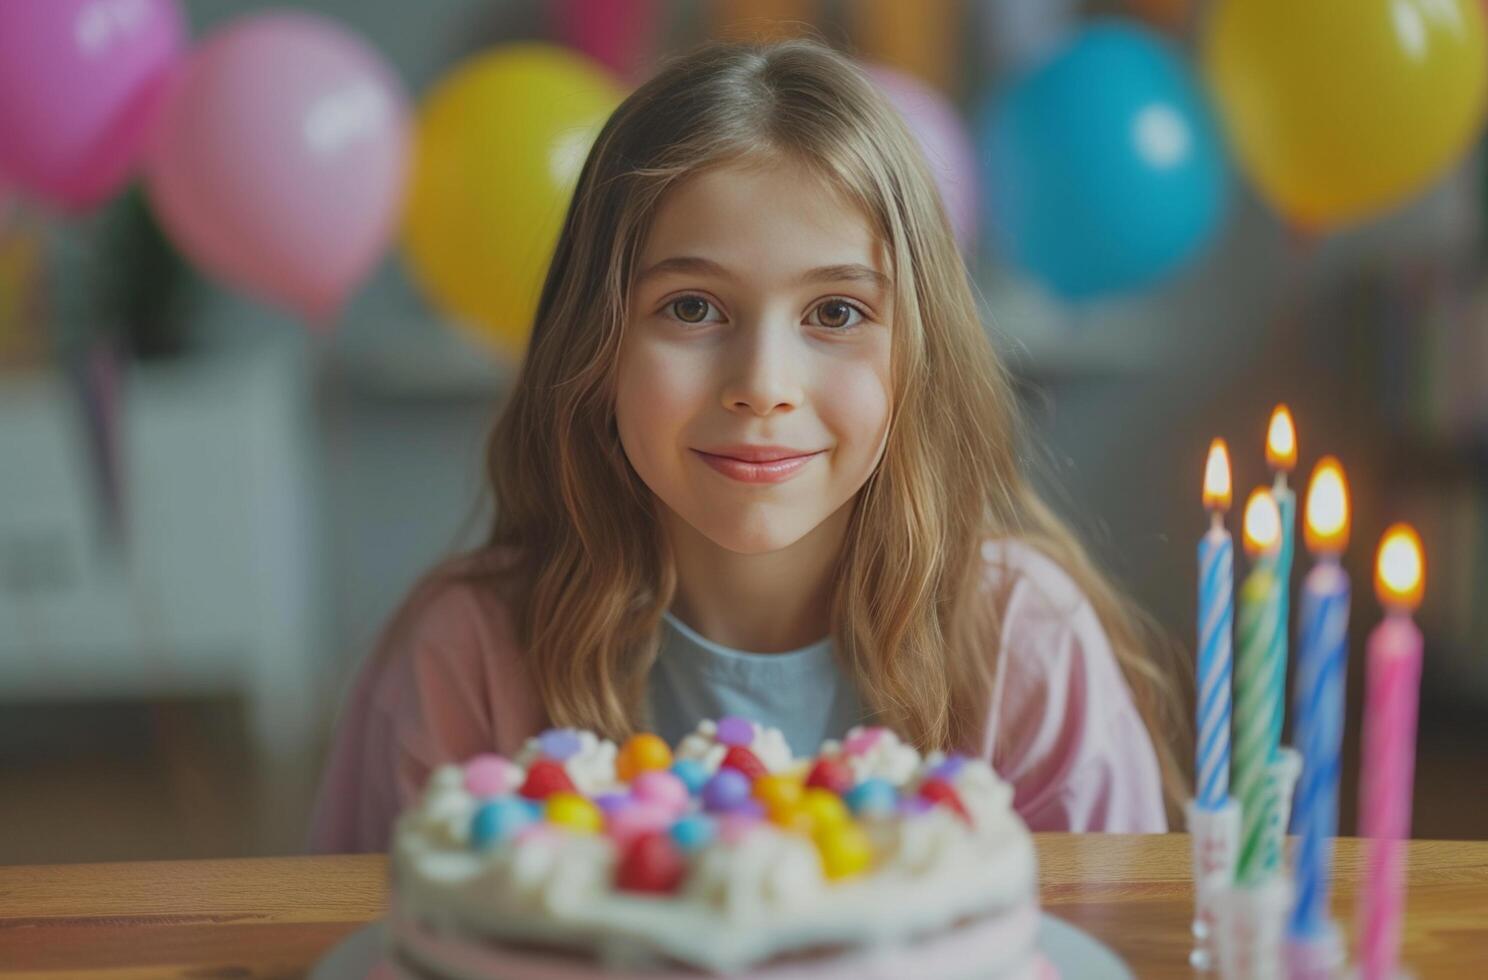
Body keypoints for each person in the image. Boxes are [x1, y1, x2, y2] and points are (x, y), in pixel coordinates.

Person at [308, 37, 1186, 854]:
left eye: (836, 313)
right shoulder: (466, 656)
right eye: (691, 307)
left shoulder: (1025, 647)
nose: (764, 383)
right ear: (596, 342)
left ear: (921, 352)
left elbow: (1108, 947)